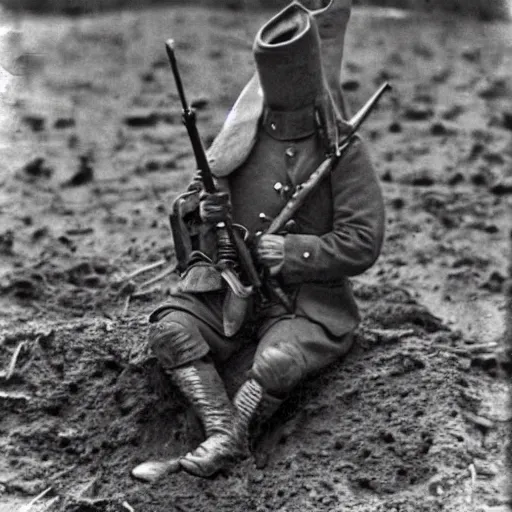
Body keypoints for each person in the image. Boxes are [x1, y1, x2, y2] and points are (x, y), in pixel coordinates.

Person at [132, 0, 385, 481]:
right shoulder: (240, 140)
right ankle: (222, 430)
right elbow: (193, 215)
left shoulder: (344, 152)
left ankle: (232, 440)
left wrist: (293, 253)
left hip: (305, 303)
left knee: (277, 363)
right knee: (171, 331)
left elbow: (363, 241)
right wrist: (207, 214)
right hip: (232, 293)